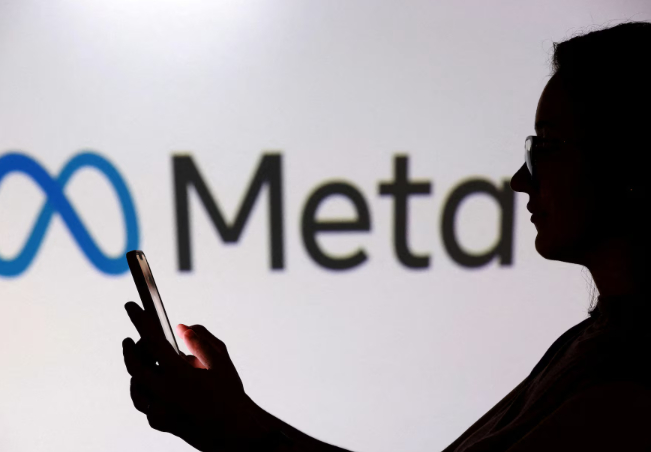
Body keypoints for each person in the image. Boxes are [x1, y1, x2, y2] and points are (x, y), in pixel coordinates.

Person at [122, 21, 651, 451]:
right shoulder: (593, 342)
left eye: (547, 148)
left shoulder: (630, 385)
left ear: (630, 161)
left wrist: (233, 427)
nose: (520, 179)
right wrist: (235, 418)